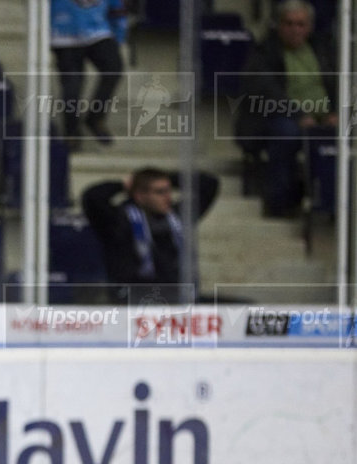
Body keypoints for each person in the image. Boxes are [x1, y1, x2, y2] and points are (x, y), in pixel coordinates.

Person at [234, 0, 339, 217]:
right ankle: (280, 203)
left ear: (309, 27)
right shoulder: (263, 52)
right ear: (279, 26)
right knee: (287, 134)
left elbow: (340, 85)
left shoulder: (323, 49)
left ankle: (335, 204)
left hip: (324, 117)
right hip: (277, 117)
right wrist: (298, 114)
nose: (295, 30)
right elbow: (266, 91)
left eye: (301, 24)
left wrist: (337, 112)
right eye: (289, 24)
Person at [81, 167, 219, 304]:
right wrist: (123, 185)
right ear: (139, 196)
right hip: (132, 301)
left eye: (168, 190)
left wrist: (166, 178)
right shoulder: (119, 220)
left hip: (175, 298)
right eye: (160, 192)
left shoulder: (177, 217)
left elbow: (209, 184)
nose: (168, 197)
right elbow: (92, 197)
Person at [49, 0, 128, 147]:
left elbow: (117, 8)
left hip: (98, 31)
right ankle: (71, 131)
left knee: (113, 68)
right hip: (64, 34)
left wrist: (119, 34)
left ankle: (95, 118)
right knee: (72, 86)